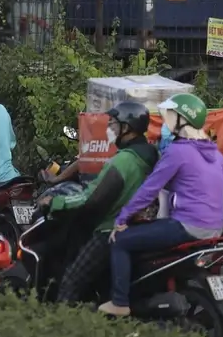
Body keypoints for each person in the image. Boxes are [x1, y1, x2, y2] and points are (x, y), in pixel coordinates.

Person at [99, 93, 223, 316]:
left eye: (170, 116)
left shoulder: (177, 151)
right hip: (215, 228)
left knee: (121, 241)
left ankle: (120, 302)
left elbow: (149, 190)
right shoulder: (214, 152)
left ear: (182, 120)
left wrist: (122, 218)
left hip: (186, 226)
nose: (165, 121)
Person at [40, 102, 158, 304]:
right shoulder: (150, 154)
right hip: (139, 225)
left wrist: (55, 202)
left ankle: (60, 327)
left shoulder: (124, 161)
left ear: (127, 128)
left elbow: (91, 199)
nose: (109, 129)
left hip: (109, 229)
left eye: (112, 124)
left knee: (70, 281)